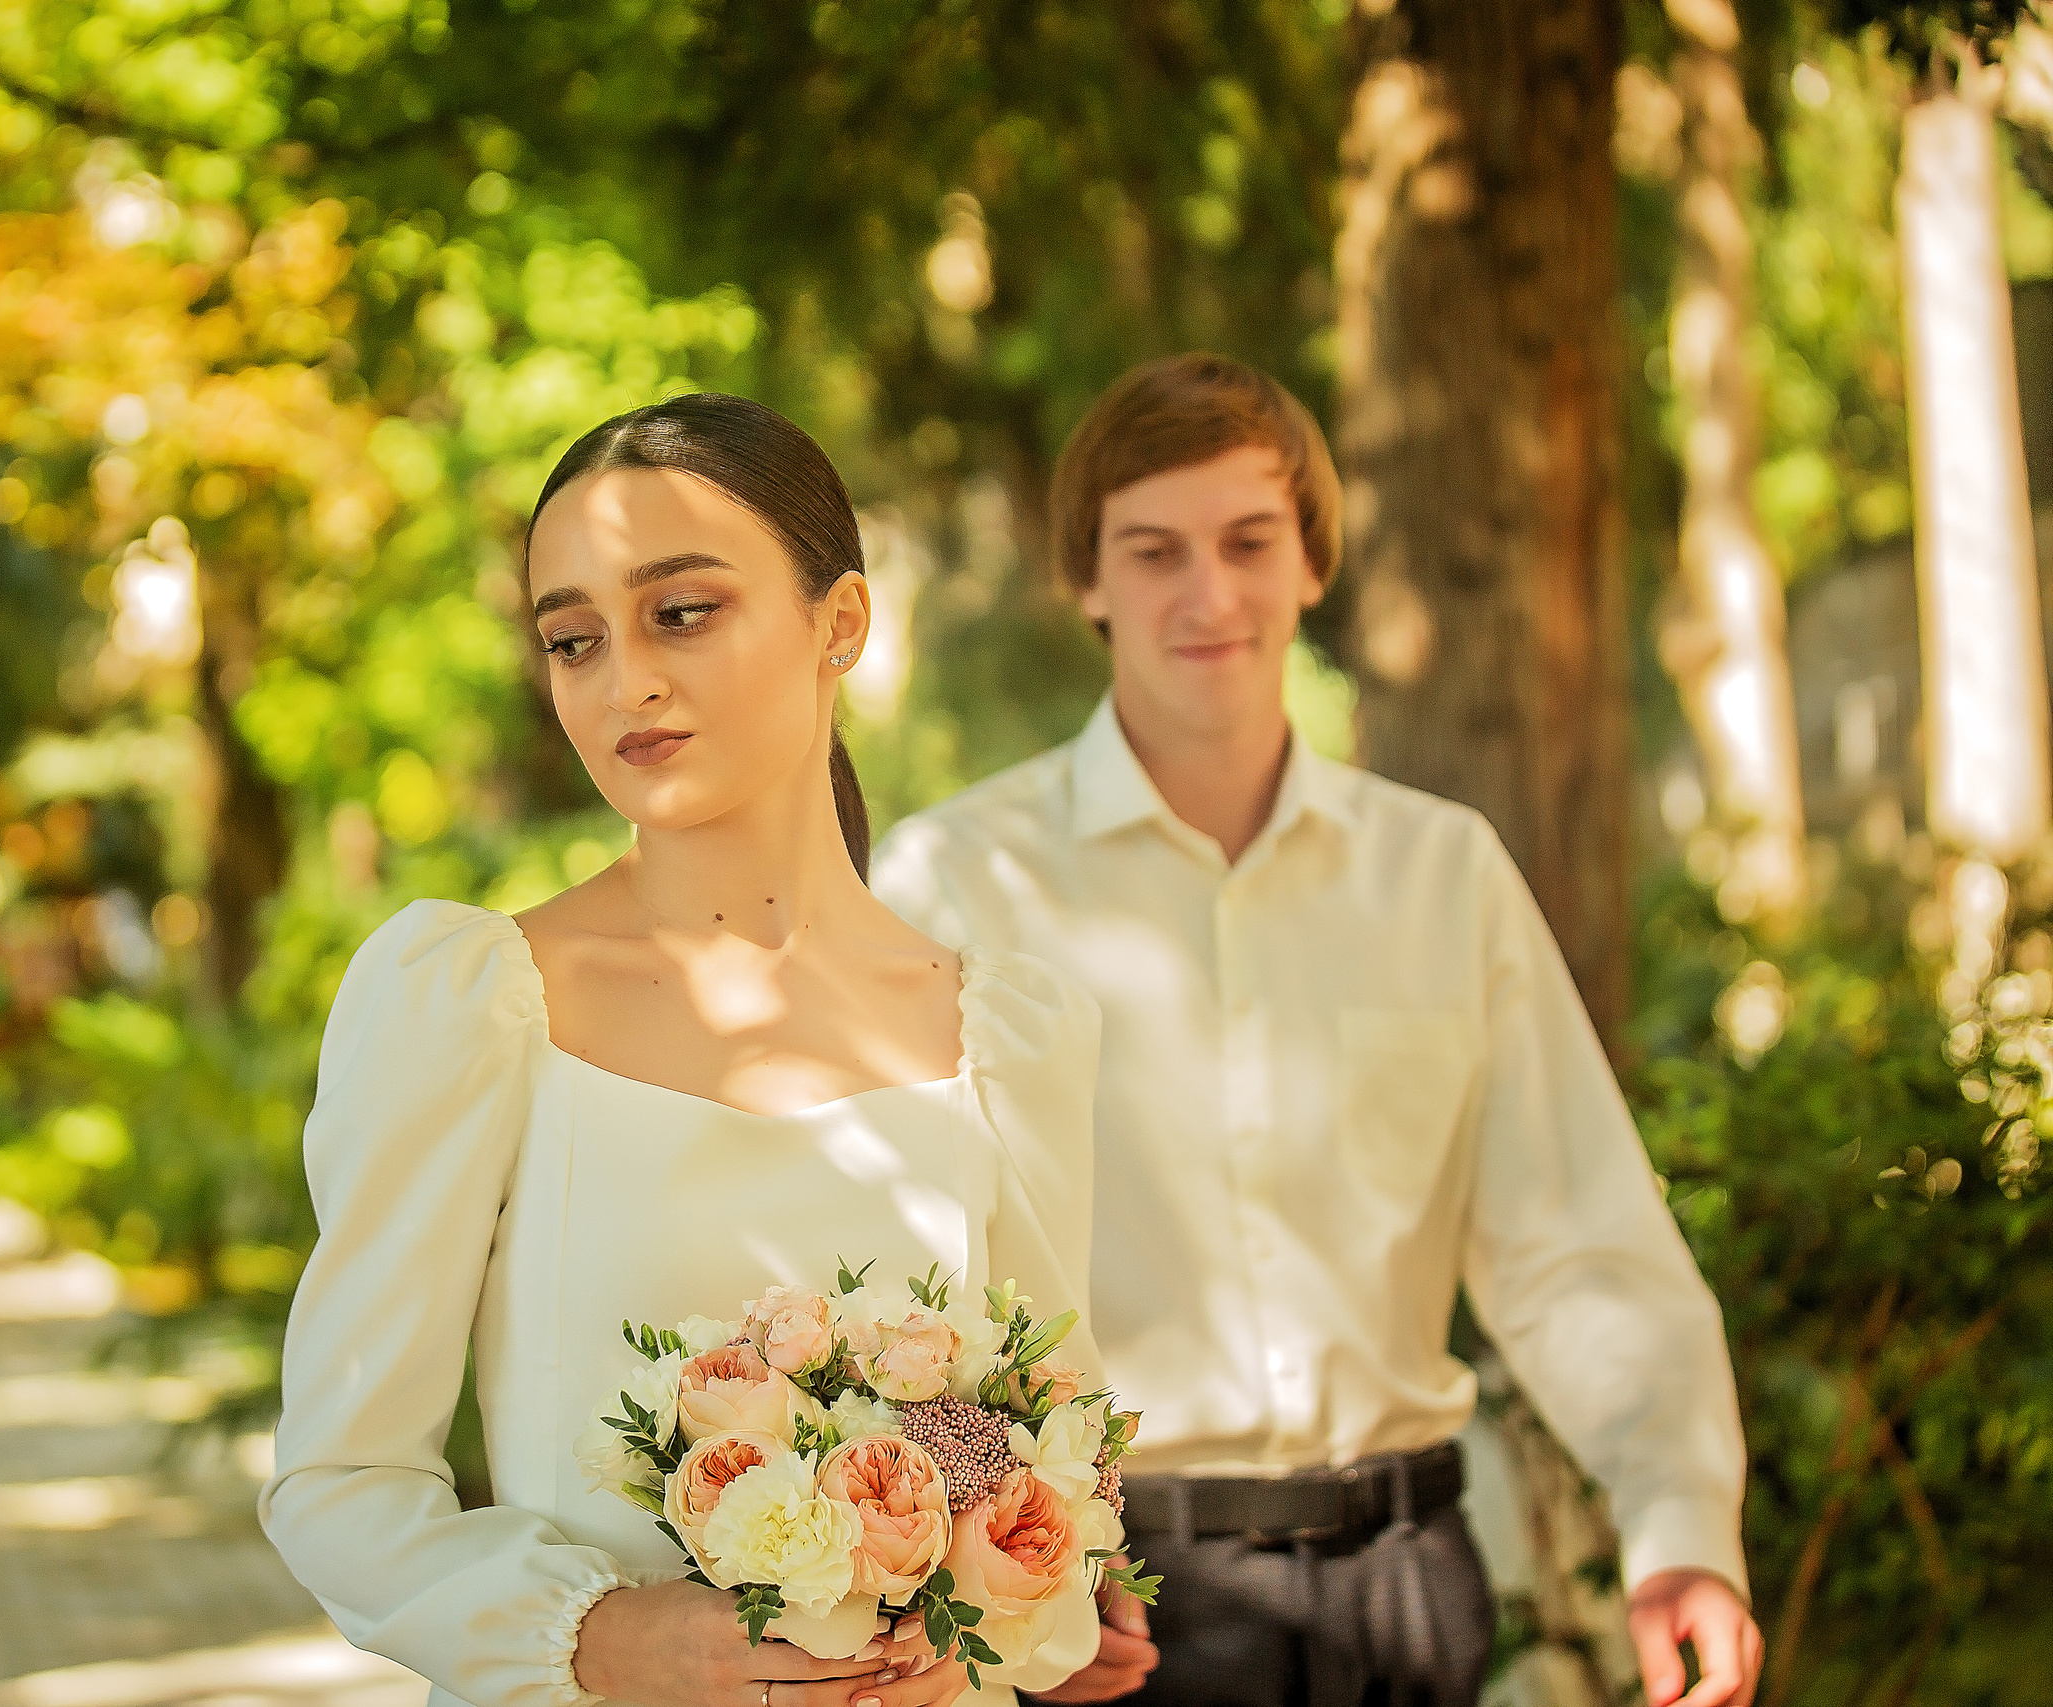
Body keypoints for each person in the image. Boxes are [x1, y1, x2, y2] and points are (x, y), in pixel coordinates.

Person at [869, 354, 1761, 1707]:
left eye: (1248, 541)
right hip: (1109, 1611)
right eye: (1154, 550)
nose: (1208, 594)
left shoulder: (1444, 874)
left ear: (1313, 562)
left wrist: (1681, 1521)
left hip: (1412, 1588)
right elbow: (898, 1268)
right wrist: (997, 1568)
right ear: (1089, 580)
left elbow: (1573, 1241)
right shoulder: (956, 885)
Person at [261, 394, 1109, 1707]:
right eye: (572, 639)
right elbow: (341, 1486)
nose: (624, 682)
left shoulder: (1004, 1034)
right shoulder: (478, 1004)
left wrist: (979, 1626)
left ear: (841, 623)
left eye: (682, 612)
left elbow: (1063, 1479)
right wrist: (605, 1640)